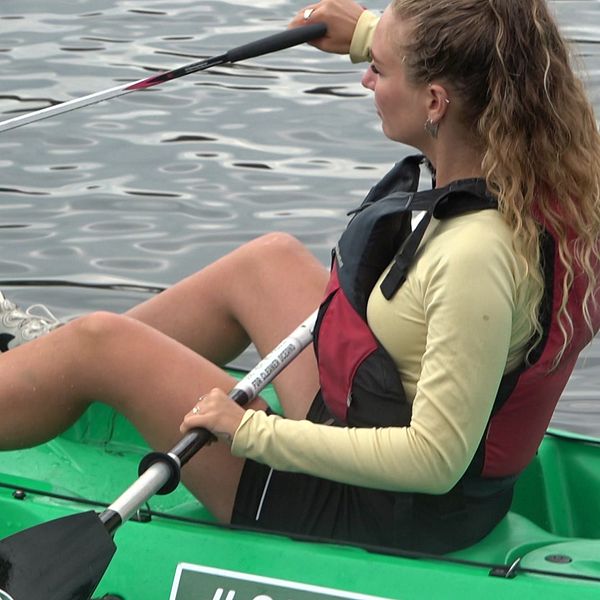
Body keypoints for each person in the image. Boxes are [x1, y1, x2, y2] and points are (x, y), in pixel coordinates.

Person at [1, 0, 600, 553]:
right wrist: (366, 35)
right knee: (270, 261)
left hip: (381, 506)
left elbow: (434, 458)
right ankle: (44, 376)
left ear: (437, 102)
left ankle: (70, 369)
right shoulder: (539, 170)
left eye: (379, 70)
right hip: (380, 427)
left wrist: (251, 431)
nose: (366, 80)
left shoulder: (474, 255)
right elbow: (477, 57)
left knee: (101, 342)